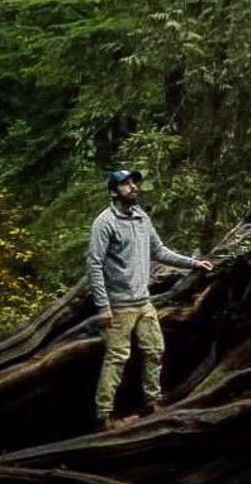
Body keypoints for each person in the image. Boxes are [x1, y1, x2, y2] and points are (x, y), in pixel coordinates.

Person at [87, 168, 213, 431]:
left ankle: (151, 403)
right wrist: (103, 306)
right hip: (119, 305)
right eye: (125, 184)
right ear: (113, 192)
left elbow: (159, 251)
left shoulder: (141, 218)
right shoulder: (105, 222)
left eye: (134, 183)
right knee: (117, 357)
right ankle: (104, 416)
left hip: (144, 301)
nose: (132, 187)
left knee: (155, 350)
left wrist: (193, 263)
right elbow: (94, 265)